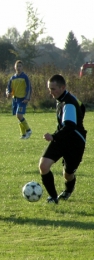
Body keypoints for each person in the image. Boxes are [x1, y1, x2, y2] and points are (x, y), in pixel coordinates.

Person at [39, 74, 87, 204]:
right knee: (43, 166)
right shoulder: (63, 98)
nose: (51, 92)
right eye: (50, 89)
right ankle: (53, 197)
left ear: (62, 87)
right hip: (61, 138)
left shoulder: (68, 103)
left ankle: (67, 191)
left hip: (75, 142)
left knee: (68, 174)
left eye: (53, 89)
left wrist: (53, 136)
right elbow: (82, 106)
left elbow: (70, 126)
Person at [6, 60, 32, 139]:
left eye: (20, 66)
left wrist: (27, 98)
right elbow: (8, 88)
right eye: (17, 66)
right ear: (15, 67)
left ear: (22, 67)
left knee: (19, 115)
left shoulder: (25, 77)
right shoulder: (12, 78)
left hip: (22, 99)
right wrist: (8, 93)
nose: (18, 68)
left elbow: (29, 88)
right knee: (18, 117)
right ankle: (23, 135)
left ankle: (28, 130)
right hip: (15, 99)